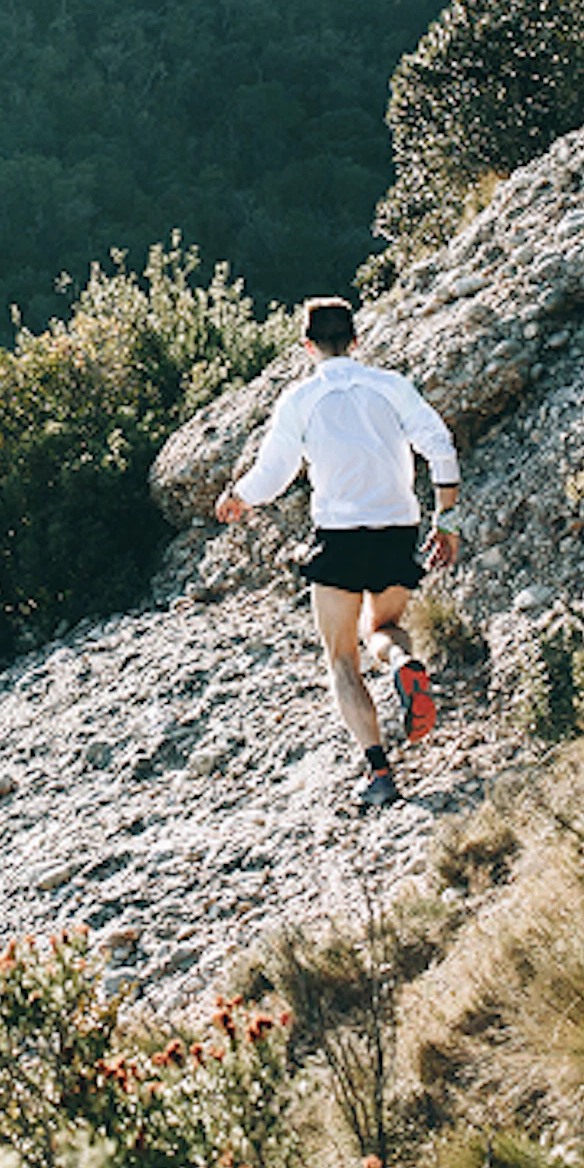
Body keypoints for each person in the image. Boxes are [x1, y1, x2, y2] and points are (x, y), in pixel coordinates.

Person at [214, 296, 461, 807]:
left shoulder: (301, 400)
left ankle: (379, 772)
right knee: (385, 630)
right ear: (356, 339)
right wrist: (448, 521)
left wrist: (238, 496)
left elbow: (275, 473)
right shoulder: (391, 387)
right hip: (397, 528)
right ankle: (401, 668)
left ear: (306, 346)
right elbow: (440, 446)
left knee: (342, 658)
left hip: (340, 538)